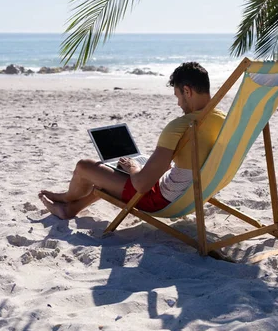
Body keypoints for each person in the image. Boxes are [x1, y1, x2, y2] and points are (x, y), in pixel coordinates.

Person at [38, 62, 226, 219]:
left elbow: (142, 185)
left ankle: (65, 198)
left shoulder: (181, 126)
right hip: (195, 193)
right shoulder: (224, 120)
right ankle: (71, 208)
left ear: (187, 91)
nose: (178, 103)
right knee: (113, 173)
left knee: (84, 166)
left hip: (159, 200)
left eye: (178, 96)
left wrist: (133, 169)